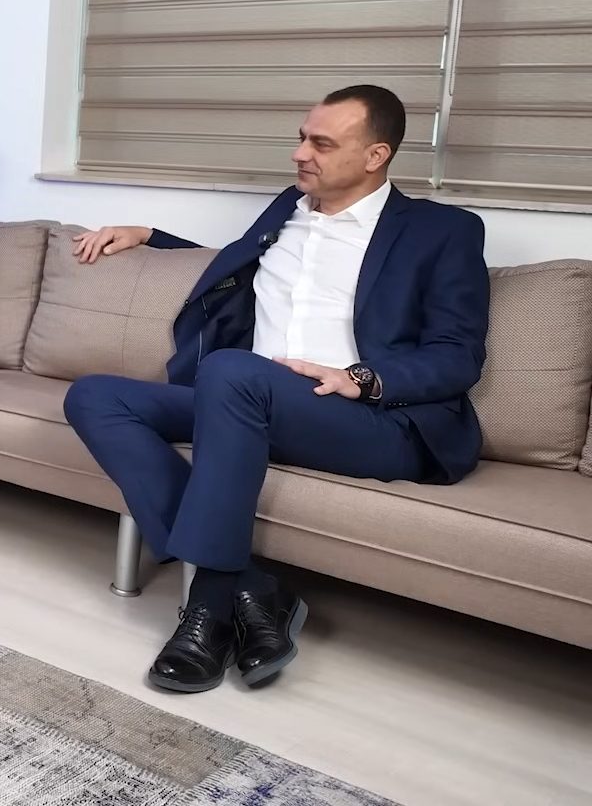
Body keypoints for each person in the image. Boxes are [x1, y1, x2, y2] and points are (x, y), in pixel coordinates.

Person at [63, 84, 488, 694]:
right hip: (246, 403)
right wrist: (149, 234)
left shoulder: (441, 231)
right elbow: (234, 266)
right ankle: (254, 588)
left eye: (321, 143)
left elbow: (458, 355)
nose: (299, 154)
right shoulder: (286, 208)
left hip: (368, 419)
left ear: (376, 156)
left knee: (232, 372)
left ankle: (207, 606)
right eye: (300, 137)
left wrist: (361, 380)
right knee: (96, 396)